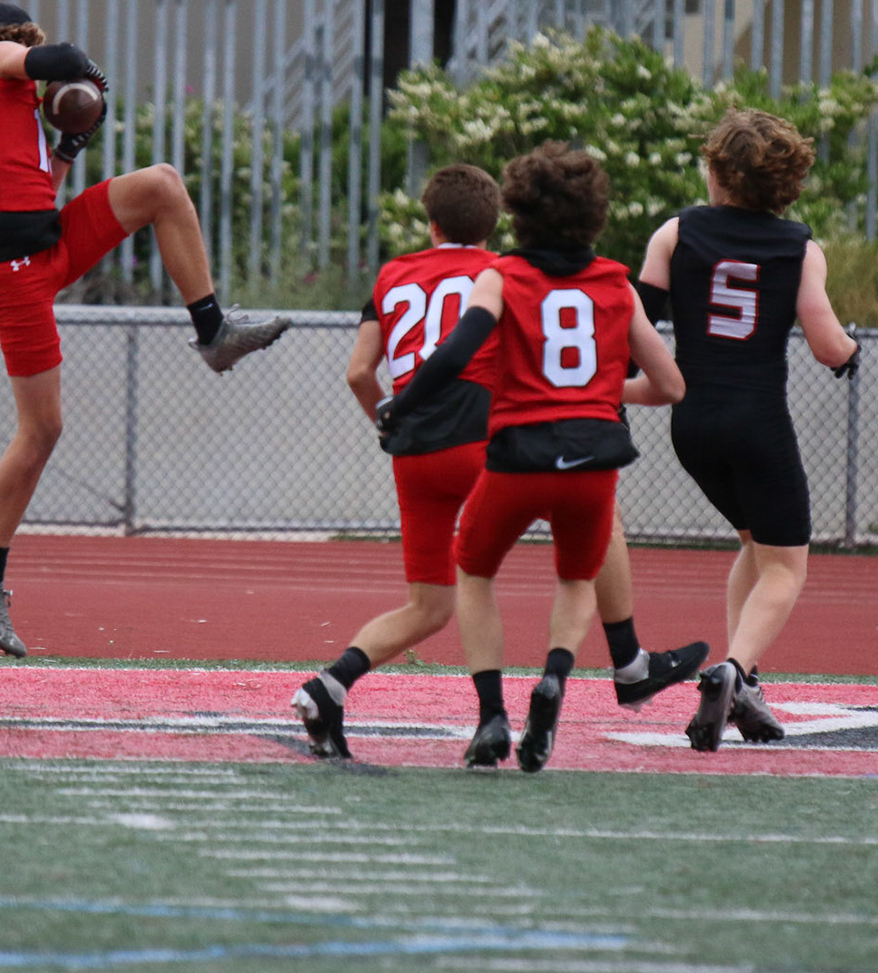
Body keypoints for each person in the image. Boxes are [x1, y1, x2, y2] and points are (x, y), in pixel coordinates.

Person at [293, 164, 705, 761]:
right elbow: (647, 376)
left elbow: (362, 371)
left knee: (432, 603)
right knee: (593, 533)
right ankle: (626, 660)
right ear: (492, 226)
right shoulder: (513, 273)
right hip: (490, 436)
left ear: (432, 223)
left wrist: (392, 415)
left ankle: (333, 685)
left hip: (416, 448)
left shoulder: (395, 274)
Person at [0, 3, 288, 658]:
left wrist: (69, 144)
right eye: (22, 43)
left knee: (162, 185)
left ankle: (213, 332)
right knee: (42, 428)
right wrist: (83, 74)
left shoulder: (2, 104)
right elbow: (63, 59)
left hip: (44, 242)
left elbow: (41, 189)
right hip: (12, 269)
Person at [635, 109, 859, 753]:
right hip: (758, 421)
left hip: (691, 422)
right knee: (787, 567)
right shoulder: (800, 248)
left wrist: (615, 390)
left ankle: (746, 680)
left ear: (718, 172)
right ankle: (731, 672)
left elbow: (634, 322)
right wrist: (852, 351)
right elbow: (827, 344)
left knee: (755, 545)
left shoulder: (676, 232)